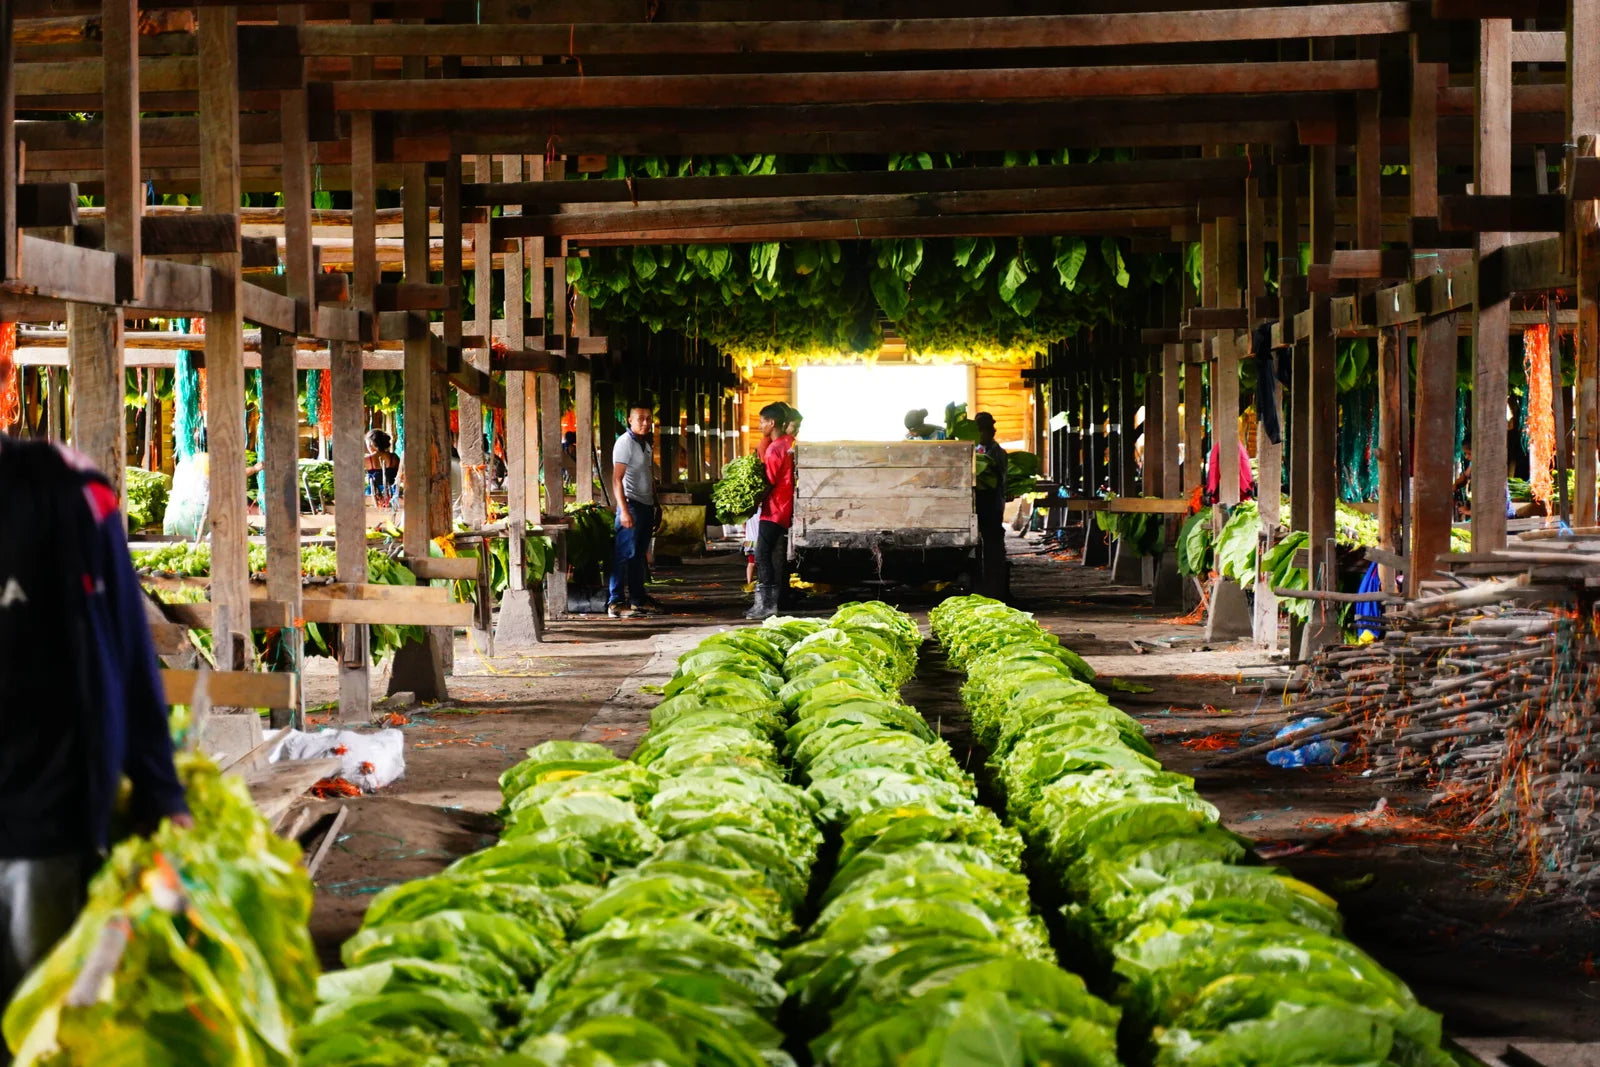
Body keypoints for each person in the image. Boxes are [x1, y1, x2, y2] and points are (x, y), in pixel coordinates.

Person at [0, 436, 192, 1023]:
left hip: (44, 820)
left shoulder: (69, 492)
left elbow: (126, 651)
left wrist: (160, 790)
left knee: (45, 1024)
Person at [609, 403, 662, 618]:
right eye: (640, 418)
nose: (645, 422)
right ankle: (615, 601)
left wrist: (656, 504)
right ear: (630, 420)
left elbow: (648, 476)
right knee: (623, 554)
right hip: (631, 504)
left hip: (645, 505)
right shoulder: (625, 443)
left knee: (638, 555)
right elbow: (616, 479)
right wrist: (624, 510)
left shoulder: (645, 444)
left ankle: (637, 600)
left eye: (648, 418)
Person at [747, 402, 797, 620]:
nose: (760, 426)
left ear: (772, 422)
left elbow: (768, 481)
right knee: (771, 554)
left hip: (774, 508)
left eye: (762, 422)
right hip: (784, 506)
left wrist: (751, 501)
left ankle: (767, 605)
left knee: (761, 554)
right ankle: (768, 603)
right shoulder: (788, 442)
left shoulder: (775, 448)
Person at [973, 412, 1010, 599]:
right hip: (977, 504)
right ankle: (982, 585)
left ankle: (996, 589)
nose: (988, 433)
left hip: (991, 503)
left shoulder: (996, 452)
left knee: (993, 544)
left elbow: (1001, 480)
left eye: (987, 430)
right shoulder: (973, 450)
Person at [1204, 436, 1256, 503]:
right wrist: (1247, 488)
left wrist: (1211, 490)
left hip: (1234, 490)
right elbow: (1242, 469)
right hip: (1238, 491)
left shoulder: (1221, 446)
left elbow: (1214, 468)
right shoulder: (1237, 446)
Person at [364, 429, 400, 508]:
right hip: (392, 493)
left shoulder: (367, 460)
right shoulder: (394, 458)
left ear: (371, 443)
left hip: (374, 495)